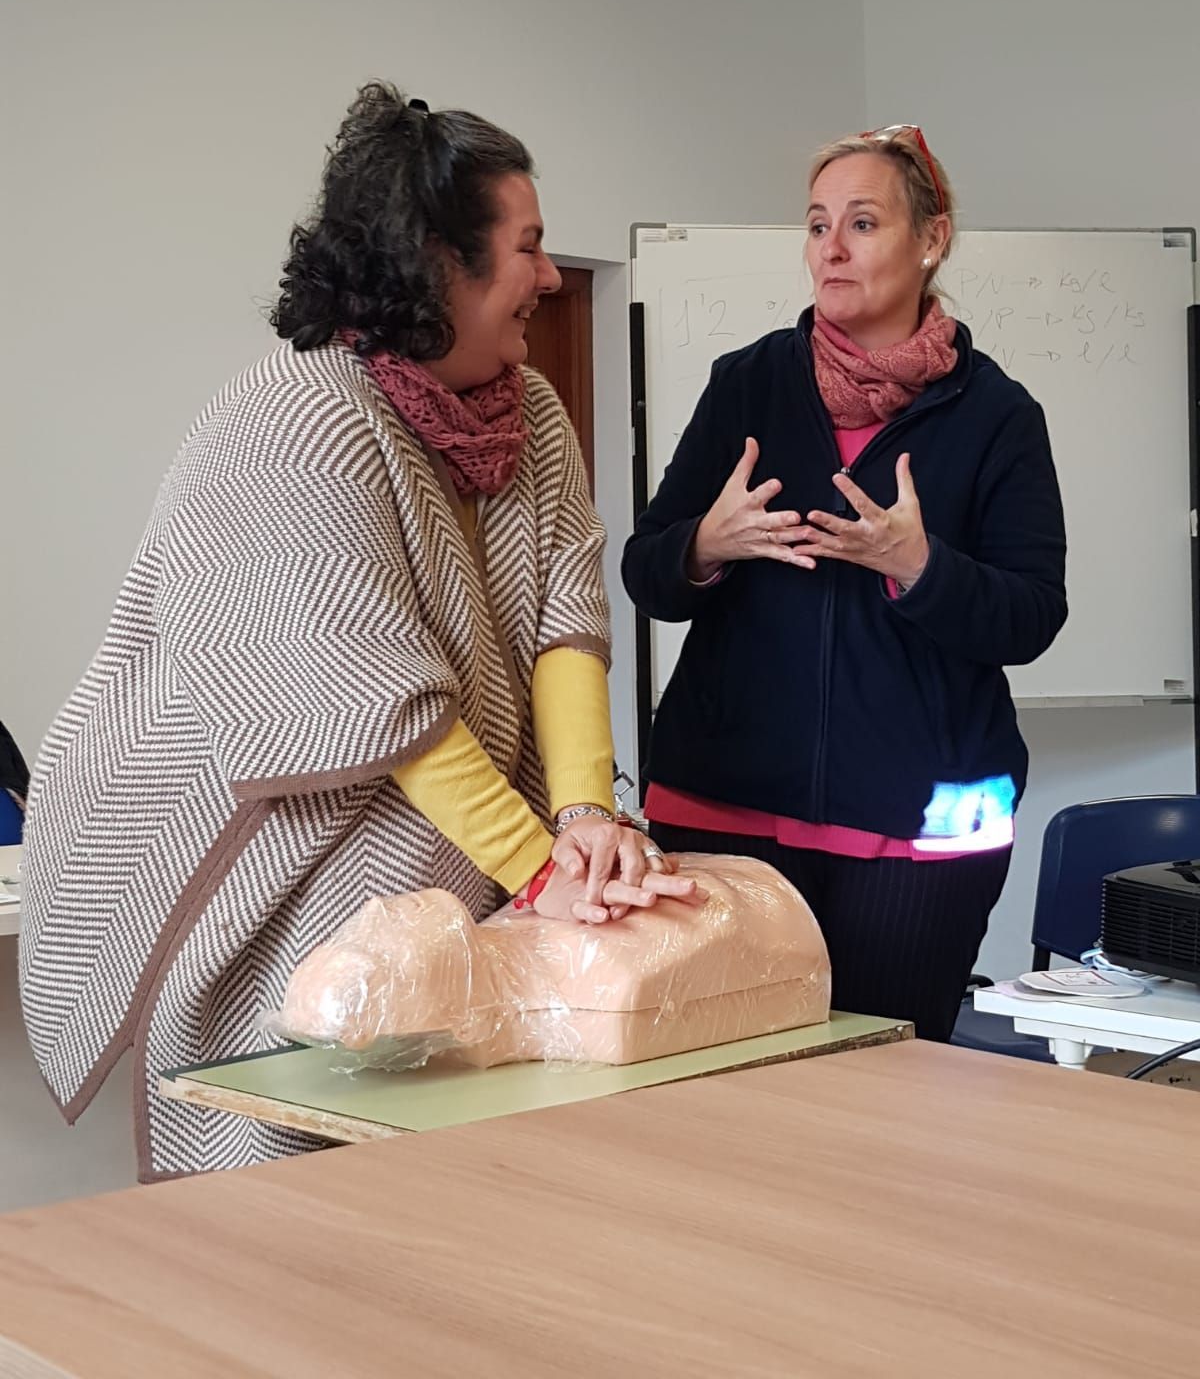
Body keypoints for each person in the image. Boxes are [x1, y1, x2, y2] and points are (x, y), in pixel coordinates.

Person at [20, 83, 698, 1181]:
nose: (546, 275)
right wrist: (540, 869)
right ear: (437, 264)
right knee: (303, 1153)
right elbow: (371, 702)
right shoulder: (299, 418)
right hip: (285, 838)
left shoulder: (531, 413)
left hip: (453, 837)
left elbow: (566, 625)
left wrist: (582, 819)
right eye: (527, 246)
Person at [622, 124, 1067, 1041]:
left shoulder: (998, 416)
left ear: (931, 239)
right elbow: (647, 571)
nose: (831, 247)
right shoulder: (746, 385)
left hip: (918, 836)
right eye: (818, 223)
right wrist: (704, 544)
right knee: (715, 1088)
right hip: (721, 811)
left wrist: (919, 568)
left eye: (862, 223)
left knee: (886, 1089)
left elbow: (1031, 615)